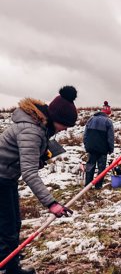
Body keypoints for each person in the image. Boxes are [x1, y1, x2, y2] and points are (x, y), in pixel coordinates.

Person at [0, 86, 77, 274]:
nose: (65, 129)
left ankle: (10, 264)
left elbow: (23, 159)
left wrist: (39, 157)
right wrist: (51, 203)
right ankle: (8, 268)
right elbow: (29, 173)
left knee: (12, 224)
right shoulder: (32, 131)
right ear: (55, 119)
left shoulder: (39, 127)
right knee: (7, 227)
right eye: (64, 125)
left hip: (6, 177)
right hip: (1, 179)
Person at [83, 102, 115, 189]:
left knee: (90, 166)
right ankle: (98, 186)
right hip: (102, 149)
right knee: (101, 168)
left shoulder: (90, 119)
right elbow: (110, 137)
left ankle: (87, 186)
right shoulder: (108, 122)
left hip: (91, 148)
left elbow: (85, 134)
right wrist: (111, 149)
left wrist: (86, 145)